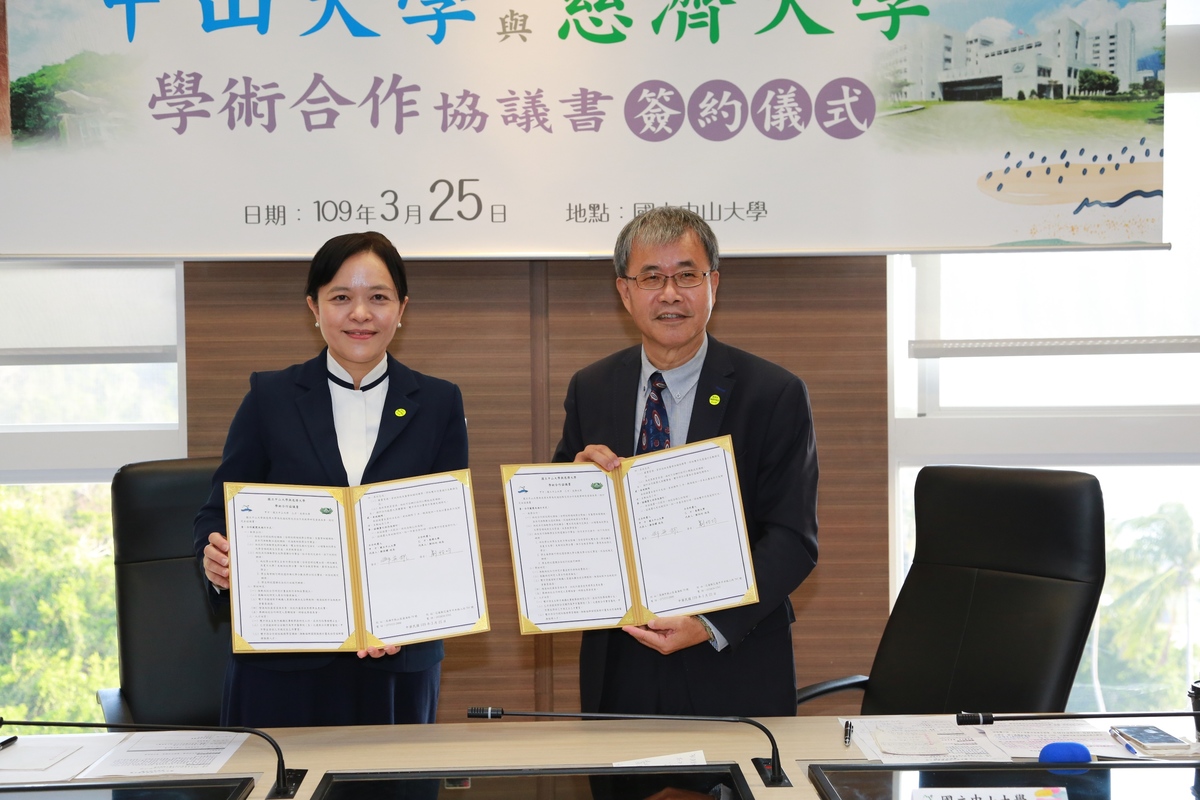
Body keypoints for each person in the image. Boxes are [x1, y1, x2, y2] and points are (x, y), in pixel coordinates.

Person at [193, 231, 468, 727]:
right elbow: (216, 513)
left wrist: (414, 617)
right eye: (340, 298)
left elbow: (446, 537)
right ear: (313, 308)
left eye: (378, 298)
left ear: (401, 308)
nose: (360, 314)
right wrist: (215, 558)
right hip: (282, 665)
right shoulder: (269, 397)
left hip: (397, 665)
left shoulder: (439, 403)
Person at [553, 207, 818, 717]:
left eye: (687, 276)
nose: (670, 293)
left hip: (732, 659)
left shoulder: (773, 393)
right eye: (651, 277)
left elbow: (792, 539)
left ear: (713, 284)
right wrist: (574, 488)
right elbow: (565, 529)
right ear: (625, 291)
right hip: (618, 663)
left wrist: (710, 622)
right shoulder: (591, 387)